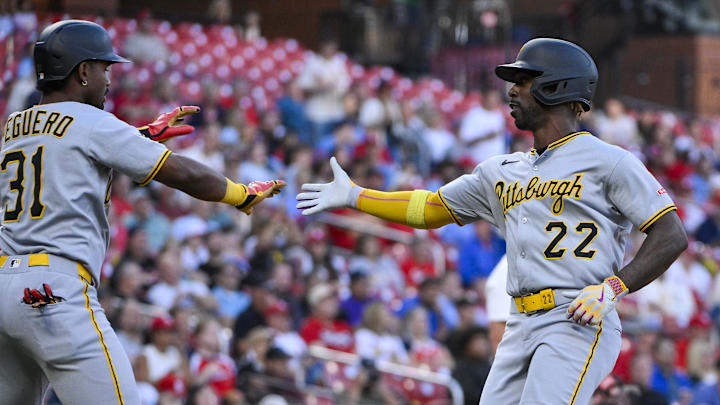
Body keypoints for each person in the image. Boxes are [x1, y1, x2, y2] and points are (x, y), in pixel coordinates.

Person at [296, 37, 688, 404]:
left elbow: (670, 233)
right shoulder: (501, 170)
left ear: (557, 86)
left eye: (523, 80)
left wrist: (615, 287)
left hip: (577, 316)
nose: (511, 91)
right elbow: (429, 208)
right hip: (520, 320)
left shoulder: (609, 160)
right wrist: (356, 196)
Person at [0, 20, 285, 405]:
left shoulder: (13, 125)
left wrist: (141, 136)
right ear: (82, 71)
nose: (108, 79)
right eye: (103, 68)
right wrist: (239, 195)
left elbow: (67, 144)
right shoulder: (94, 122)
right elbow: (180, 172)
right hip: (54, 289)